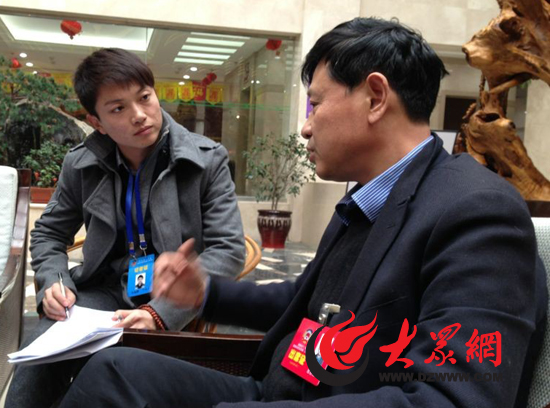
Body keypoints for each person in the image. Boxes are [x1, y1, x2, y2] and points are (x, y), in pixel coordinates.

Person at [58, 18, 547, 408]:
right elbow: (303, 300)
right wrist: (205, 293)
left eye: (314, 105)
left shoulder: (476, 212)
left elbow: (452, 399)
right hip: (276, 389)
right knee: (114, 371)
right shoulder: (368, 197)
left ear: (376, 97)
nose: (306, 128)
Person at [6, 48, 245, 408]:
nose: (139, 115)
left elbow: (228, 250)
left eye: (144, 97)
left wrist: (159, 313)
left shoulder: (206, 160)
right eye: (118, 108)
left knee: (105, 369)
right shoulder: (81, 163)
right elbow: (49, 233)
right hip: (104, 291)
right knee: (39, 358)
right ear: (97, 121)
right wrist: (54, 281)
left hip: (173, 294)